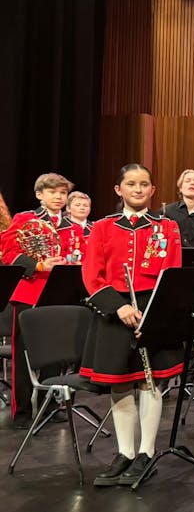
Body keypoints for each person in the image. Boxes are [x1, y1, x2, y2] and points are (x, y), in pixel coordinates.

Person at [80, 164, 183, 486]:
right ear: (118, 189)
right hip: (114, 311)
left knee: (150, 383)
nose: (137, 190)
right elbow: (91, 275)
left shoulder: (167, 227)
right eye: (131, 184)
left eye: (144, 185)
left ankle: (146, 451)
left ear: (153, 190)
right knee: (120, 382)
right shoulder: (102, 227)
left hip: (153, 308)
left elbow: (173, 272)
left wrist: (153, 313)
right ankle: (124, 452)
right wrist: (119, 306)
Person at [0, 173, 86, 428]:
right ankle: (23, 411)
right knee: (24, 354)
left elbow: (80, 254)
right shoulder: (25, 219)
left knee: (56, 355)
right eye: (53, 192)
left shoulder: (72, 226)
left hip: (60, 295)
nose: (58, 197)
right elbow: (8, 252)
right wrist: (38, 264)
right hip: (29, 293)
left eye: (62, 193)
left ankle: (49, 407)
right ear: (40, 194)